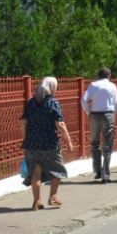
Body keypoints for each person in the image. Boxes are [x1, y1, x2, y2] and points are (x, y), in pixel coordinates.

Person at [21, 76, 73, 208]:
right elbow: (60, 124)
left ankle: (37, 201)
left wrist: (26, 138)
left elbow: (23, 122)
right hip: (50, 143)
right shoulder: (53, 103)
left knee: (36, 173)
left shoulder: (30, 103)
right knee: (57, 170)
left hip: (32, 144)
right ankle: (53, 197)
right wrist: (68, 141)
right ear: (52, 87)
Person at [82, 68, 117, 183]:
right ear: (109, 76)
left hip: (95, 115)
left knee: (95, 143)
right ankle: (105, 175)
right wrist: (113, 115)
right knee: (107, 145)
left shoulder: (93, 85)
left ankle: (97, 170)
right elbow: (116, 103)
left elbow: (83, 100)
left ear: (98, 76)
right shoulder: (112, 86)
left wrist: (89, 112)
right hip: (108, 114)